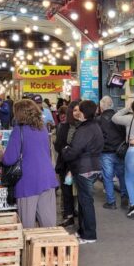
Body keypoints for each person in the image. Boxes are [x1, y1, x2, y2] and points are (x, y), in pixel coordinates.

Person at [2, 99, 58, 229]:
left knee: (27, 226)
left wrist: (1, 156)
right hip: (47, 178)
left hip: (27, 181)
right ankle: (49, 248)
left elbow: (9, 159)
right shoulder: (42, 129)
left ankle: (31, 249)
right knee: (49, 224)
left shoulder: (18, 131)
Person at [62, 101, 103, 244]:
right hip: (94, 166)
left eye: (80, 110)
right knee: (84, 200)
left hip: (85, 168)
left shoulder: (85, 129)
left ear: (85, 112)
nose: (77, 112)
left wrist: (65, 151)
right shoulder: (95, 126)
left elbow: (74, 149)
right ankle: (83, 231)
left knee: (86, 202)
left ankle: (90, 235)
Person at [97, 96, 128, 210]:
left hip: (106, 153)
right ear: (112, 105)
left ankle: (111, 202)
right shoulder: (120, 118)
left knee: (108, 177)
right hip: (120, 151)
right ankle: (125, 196)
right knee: (122, 175)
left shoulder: (99, 120)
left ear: (101, 106)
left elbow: (98, 137)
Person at [54, 100, 79, 225]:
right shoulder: (68, 126)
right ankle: (70, 213)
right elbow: (58, 146)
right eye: (74, 110)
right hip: (69, 163)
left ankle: (70, 214)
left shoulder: (66, 126)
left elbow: (58, 146)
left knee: (71, 191)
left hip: (74, 164)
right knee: (69, 191)